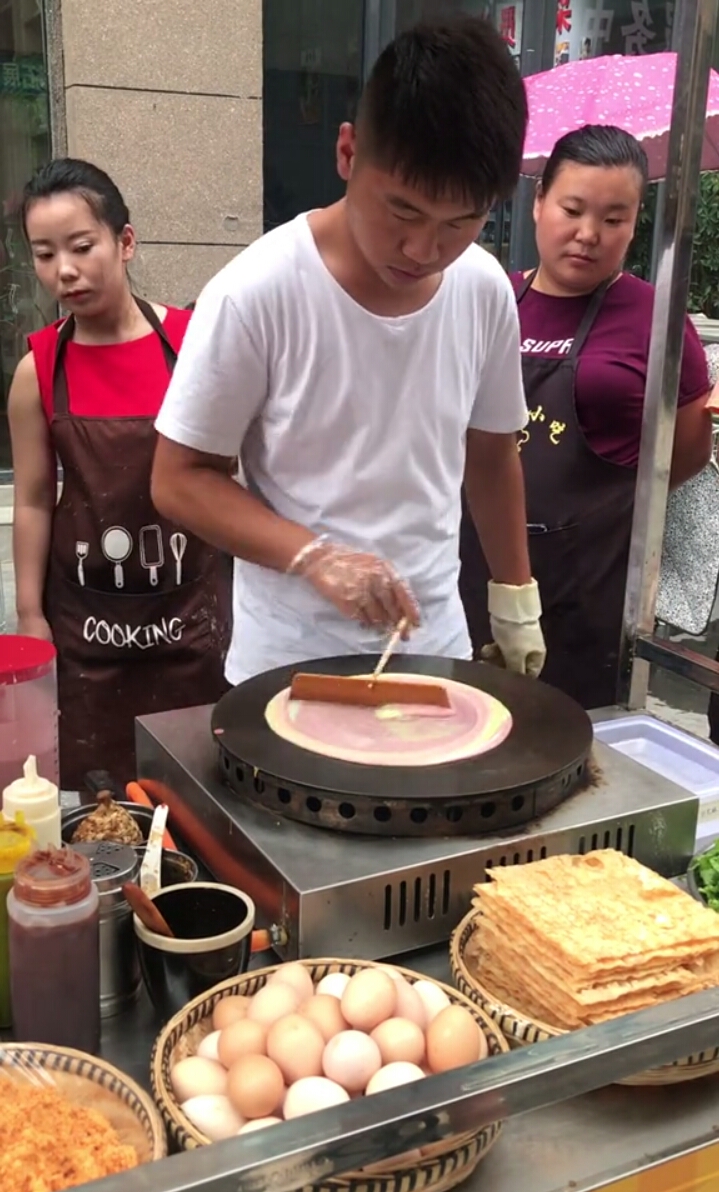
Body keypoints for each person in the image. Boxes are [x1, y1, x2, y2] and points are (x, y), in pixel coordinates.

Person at [151, 16, 546, 688]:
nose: (424, 251)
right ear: (347, 153)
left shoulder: (482, 289)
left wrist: (515, 604)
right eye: (402, 211)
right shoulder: (258, 292)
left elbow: (489, 456)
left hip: (433, 648)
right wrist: (313, 557)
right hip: (290, 665)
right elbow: (179, 478)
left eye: (459, 222)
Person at [460, 125, 712, 711]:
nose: (588, 235)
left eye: (614, 219)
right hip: (472, 563)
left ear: (635, 222)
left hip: (590, 584)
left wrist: (612, 504)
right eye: (572, 209)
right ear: (539, 201)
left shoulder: (655, 316)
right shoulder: (494, 299)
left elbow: (692, 446)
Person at [9, 159, 231, 789]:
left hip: (188, 620)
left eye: (81, 247)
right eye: (45, 254)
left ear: (124, 242)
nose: (65, 271)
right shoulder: (39, 368)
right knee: (97, 798)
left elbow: (228, 475)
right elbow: (31, 499)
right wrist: (30, 615)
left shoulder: (192, 348)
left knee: (199, 792)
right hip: (85, 630)